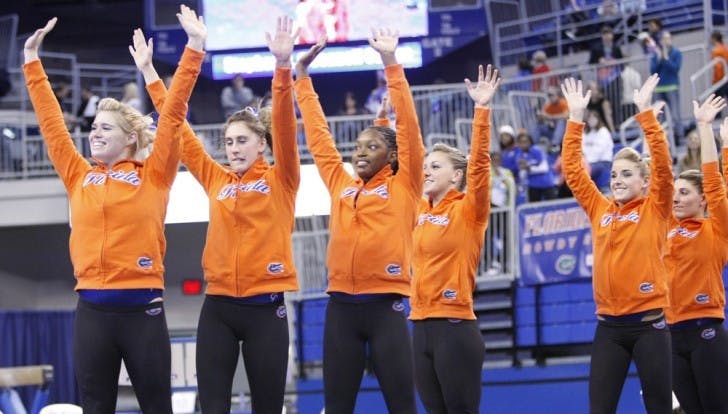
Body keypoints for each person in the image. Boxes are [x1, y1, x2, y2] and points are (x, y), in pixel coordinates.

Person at [23, 6, 205, 413]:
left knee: (157, 406)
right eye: (92, 128)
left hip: (143, 311)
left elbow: (173, 116)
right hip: (92, 312)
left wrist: (193, 50)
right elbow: (53, 126)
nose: (94, 134)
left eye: (105, 128)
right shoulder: (78, 175)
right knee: (95, 407)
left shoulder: (154, 174)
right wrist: (32, 62)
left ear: (129, 138)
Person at [130, 17, 301, 413]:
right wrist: (151, 74)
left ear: (262, 144)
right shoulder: (214, 177)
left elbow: (286, 130)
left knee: (269, 405)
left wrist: (282, 67)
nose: (233, 148)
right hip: (218, 306)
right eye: (228, 142)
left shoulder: (283, 178)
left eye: (242, 141)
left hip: (266, 308)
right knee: (213, 404)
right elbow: (176, 126)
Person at [294, 29, 425, 413]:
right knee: (336, 407)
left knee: (402, 406)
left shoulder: (405, 185)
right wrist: (302, 77)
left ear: (394, 154)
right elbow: (319, 139)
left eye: (373, 146)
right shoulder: (341, 184)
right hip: (340, 310)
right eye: (358, 146)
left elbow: (410, 131)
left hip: (387, 309)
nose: (361, 153)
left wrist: (391, 64)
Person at [561, 75, 674, 413]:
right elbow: (573, 172)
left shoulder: (655, 207)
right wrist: (575, 118)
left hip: (649, 326)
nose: (618, 180)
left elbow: (664, 167)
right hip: (608, 327)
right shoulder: (601, 209)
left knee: (659, 407)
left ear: (645, 181)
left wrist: (645, 114)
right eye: (613, 175)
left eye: (626, 174)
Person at [409, 64, 499, 413]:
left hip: (455, 328)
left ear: (456, 175)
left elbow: (479, 167)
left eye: (435, 166)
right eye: (426, 166)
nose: (426, 171)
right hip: (420, 328)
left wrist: (481, 110)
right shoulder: (418, 209)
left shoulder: (469, 210)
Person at [664, 95, 728, 414]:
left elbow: (716, 183)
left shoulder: (716, 228)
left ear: (703, 200)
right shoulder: (666, 230)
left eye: (684, 193)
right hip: (671, 336)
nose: (675, 199)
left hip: (706, 329)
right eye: (674, 193)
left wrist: (706, 128)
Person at [649, 30, 683, 146]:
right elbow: (653, 70)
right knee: (660, 116)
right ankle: (662, 139)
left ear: (671, 39)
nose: (665, 41)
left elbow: (676, 68)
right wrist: (660, 59)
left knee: (675, 114)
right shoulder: (656, 54)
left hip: (672, 86)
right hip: (659, 89)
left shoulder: (676, 52)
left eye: (668, 38)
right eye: (663, 39)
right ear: (660, 41)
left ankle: (679, 137)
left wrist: (666, 59)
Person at [582, 109, 613, 191]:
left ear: (598, 119)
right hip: (588, 162)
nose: (591, 121)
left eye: (593, 118)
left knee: (584, 170)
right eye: (589, 119)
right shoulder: (586, 133)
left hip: (603, 162)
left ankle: (584, 190)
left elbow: (599, 151)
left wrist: (586, 162)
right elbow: (581, 149)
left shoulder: (603, 132)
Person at [710, 31, 728, 98]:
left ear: (714, 38)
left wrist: (716, 82)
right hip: (726, 78)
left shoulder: (716, 50)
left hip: (721, 80)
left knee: (716, 102)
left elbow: (718, 68)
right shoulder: (725, 48)